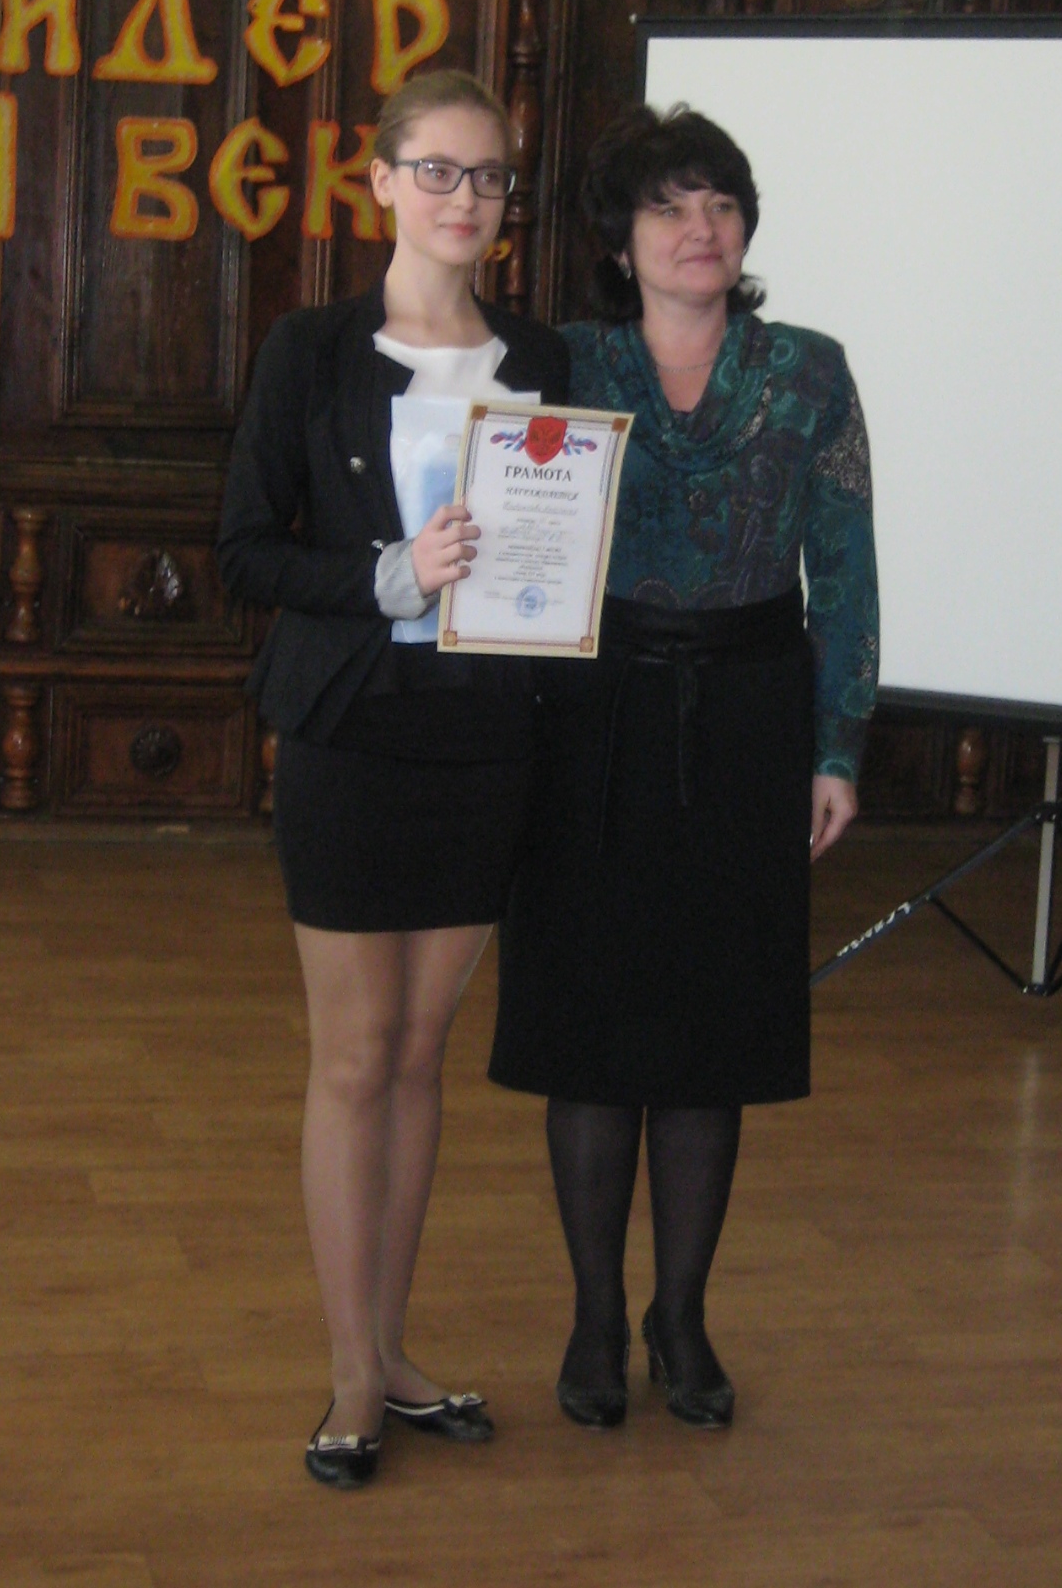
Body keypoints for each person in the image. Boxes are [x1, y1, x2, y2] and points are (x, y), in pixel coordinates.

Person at [490, 103, 878, 1431]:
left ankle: (684, 1316)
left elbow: (847, 570)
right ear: (621, 240)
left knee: (714, 1036)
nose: (698, 227)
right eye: (667, 206)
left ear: (746, 227)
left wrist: (837, 744)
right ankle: (597, 1317)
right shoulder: (561, 362)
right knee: (591, 1033)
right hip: (590, 713)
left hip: (752, 716)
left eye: (719, 203)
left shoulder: (810, 370)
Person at [216, 70, 568, 1487]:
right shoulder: (309, 349)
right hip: (354, 732)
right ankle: (353, 1369)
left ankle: (395, 1346)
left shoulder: (542, 352)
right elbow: (247, 548)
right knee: (354, 1059)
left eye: (488, 176)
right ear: (380, 181)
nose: (464, 198)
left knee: (421, 1059)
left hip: (488, 736)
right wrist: (388, 573)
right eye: (438, 170)